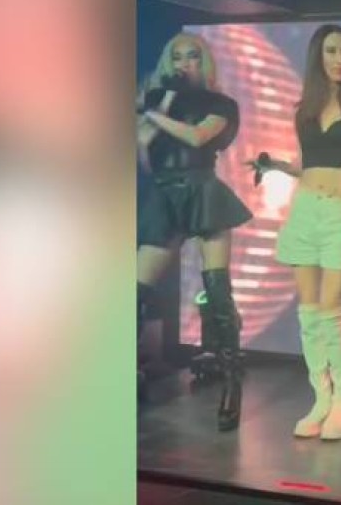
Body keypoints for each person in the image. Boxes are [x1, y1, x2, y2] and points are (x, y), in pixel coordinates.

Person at [250, 24, 341, 440]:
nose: (340, 58)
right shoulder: (302, 109)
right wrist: (276, 166)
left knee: (330, 310)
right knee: (308, 312)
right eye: (331, 51)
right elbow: (308, 164)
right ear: (317, 56)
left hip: (339, 211)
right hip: (304, 209)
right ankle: (321, 399)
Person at [137, 32, 252, 431]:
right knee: (134, 290)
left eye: (192, 57)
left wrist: (153, 114)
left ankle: (232, 386)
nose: (184, 63)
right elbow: (142, 147)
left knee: (218, 290)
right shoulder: (158, 100)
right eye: (177, 57)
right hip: (165, 193)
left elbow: (198, 135)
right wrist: (161, 102)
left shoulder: (221, 104)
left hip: (202, 191)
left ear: (204, 62)